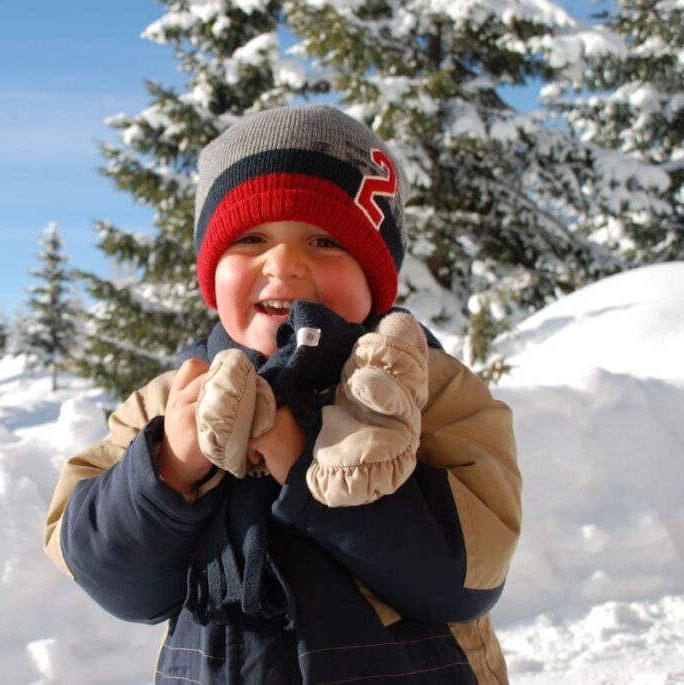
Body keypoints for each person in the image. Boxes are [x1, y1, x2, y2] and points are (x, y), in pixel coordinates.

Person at [44, 104, 521, 684]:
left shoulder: (431, 390)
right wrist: (167, 465)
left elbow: (468, 576)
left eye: (324, 240)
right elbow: (113, 579)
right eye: (250, 238)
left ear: (375, 279)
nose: (285, 264)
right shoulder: (168, 402)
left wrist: (310, 466)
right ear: (211, 270)